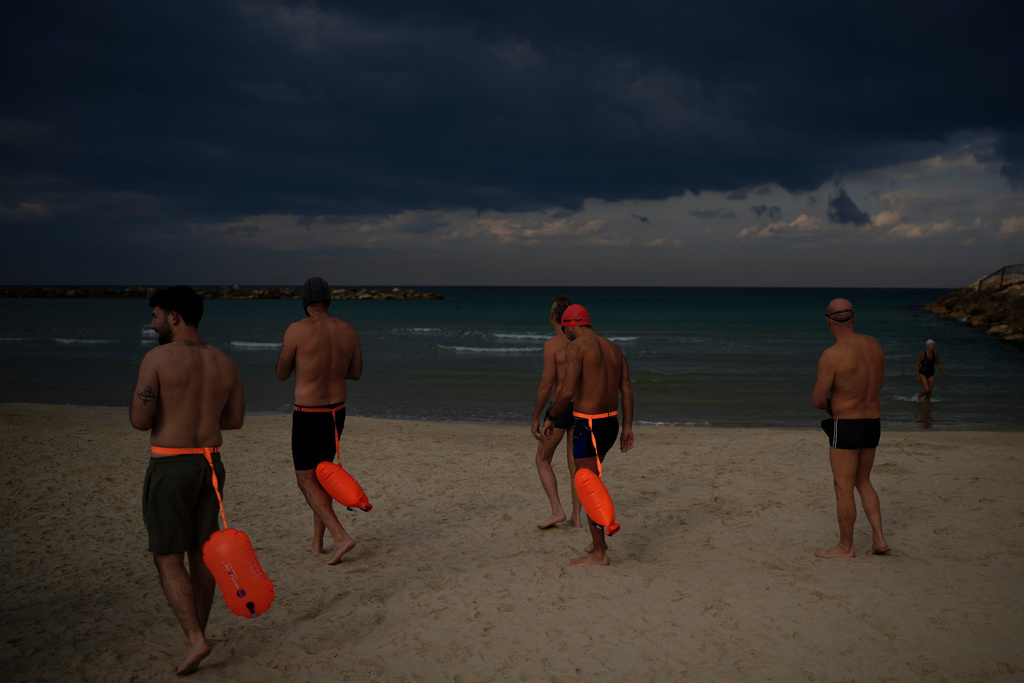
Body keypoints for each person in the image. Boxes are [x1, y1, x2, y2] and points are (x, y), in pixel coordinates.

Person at [130, 286, 245, 675]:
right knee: (202, 553)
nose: (153, 323)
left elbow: (139, 420)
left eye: (156, 316)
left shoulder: (158, 358)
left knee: (167, 555)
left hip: (171, 464)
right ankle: (200, 633)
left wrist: (171, 412)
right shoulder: (225, 361)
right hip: (211, 464)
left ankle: (195, 638)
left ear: (174, 317)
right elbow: (234, 420)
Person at [276, 277, 363, 565]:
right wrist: (330, 371)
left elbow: (281, 373)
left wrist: (308, 368)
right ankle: (317, 544)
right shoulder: (346, 328)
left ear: (304, 302)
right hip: (336, 411)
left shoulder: (296, 330)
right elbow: (356, 372)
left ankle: (341, 537)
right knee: (323, 476)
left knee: (306, 480)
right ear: (328, 300)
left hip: (308, 413)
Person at [543, 304, 634, 566]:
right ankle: (598, 543)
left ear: (571, 324)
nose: (565, 334)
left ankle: (600, 554)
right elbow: (626, 390)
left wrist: (551, 416)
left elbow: (568, 392)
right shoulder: (614, 349)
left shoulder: (577, 347)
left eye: (565, 329)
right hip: (610, 423)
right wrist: (627, 427)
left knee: (587, 486)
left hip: (588, 425)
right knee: (592, 480)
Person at [811, 298, 889, 559]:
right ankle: (879, 538)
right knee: (863, 479)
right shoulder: (874, 346)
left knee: (842, 486)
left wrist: (832, 407)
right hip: (873, 421)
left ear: (827, 321)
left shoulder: (831, 355)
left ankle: (845, 547)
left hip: (846, 424)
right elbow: (878, 384)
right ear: (854, 318)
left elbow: (818, 399)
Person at [531, 295, 582, 529]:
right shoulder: (582, 343)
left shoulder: (551, 346)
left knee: (542, 458)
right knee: (575, 465)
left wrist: (536, 417)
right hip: (581, 405)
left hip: (560, 407)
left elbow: (547, 385)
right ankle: (577, 519)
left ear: (551, 316)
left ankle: (557, 510)